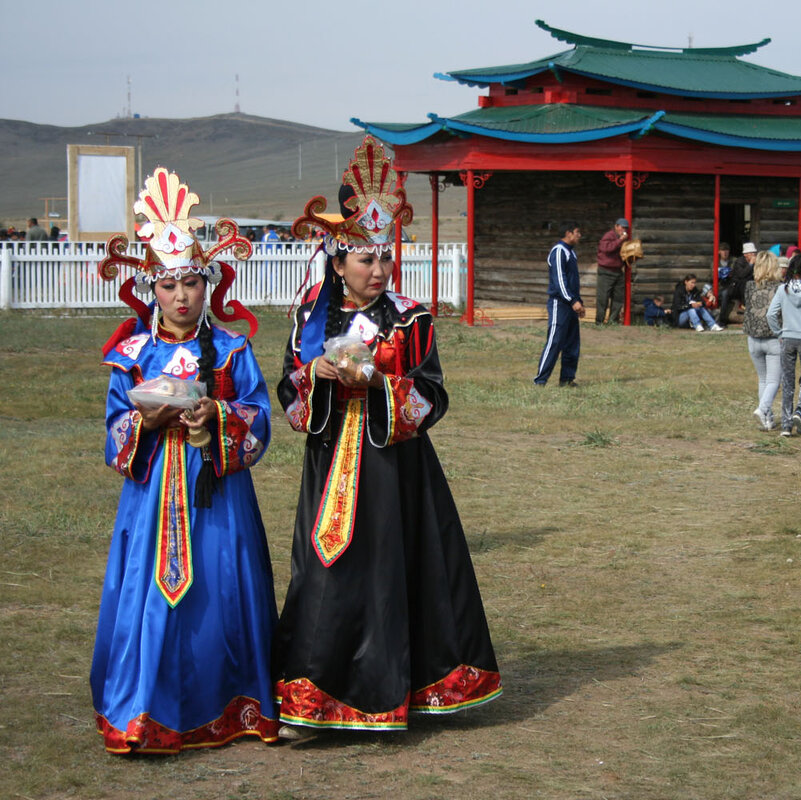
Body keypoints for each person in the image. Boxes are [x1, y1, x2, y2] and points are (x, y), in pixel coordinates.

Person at [275, 136, 501, 737]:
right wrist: (314, 375)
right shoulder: (308, 317)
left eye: (384, 257)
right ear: (337, 261)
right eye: (364, 259)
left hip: (395, 466)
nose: (378, 270)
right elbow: (290, 396)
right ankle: (313, 697)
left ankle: (405, 690)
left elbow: (431, 395)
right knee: (323, 570)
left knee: (394, 571)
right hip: (330, 463)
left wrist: (381, 381)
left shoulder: (411, 318)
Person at [91, 168, 277, 754]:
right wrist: (143, 424)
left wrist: (216, 418)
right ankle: (145, 708)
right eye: (169, 286)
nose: (180, 297)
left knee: (221, 594)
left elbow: (260, 420)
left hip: (217, 498)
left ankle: (231, 705)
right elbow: (112, 434)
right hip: (150, 502)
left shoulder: (231, 349)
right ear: (152, 288)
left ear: (207, 286)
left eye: (191, 284)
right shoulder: (131, 356)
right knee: (149, 598)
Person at [769, 254, 801, 436]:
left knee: (788, 381)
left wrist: (779, 332)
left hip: (788, 338)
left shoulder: (783, 289)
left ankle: (785, 425)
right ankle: (800, 410)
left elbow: (770, 315)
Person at [534, 221, 586, 386]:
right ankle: (540, 380)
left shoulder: (572, 253)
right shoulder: (558, 251)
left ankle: (567, 378)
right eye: (577, 232)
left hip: (571, 304)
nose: (579, 236)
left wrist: (578, 302)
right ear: (569, 233)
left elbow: (573, 282)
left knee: (572, 343)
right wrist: (571, 300)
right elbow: (560, 280)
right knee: (555, 341)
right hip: (560, 303)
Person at [742, 250, 784, 431]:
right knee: (775, 380)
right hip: (773, 338)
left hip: (753, 338)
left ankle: (768, 420)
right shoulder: (780, 288)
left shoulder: (750, 286)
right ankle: (763, 409)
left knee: (763, 380)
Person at [595, 217, 629, 325]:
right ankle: (599, 321)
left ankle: (613, 321)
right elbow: (607, 248)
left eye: (625, 228)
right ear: (616, 226)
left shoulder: (623, 238)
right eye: (622, 227)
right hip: (606, 271)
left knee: (618, 298)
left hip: (618, 271)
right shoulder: (609, 236)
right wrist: (621, 240)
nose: (623, 230)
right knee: (603, 298)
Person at [718, 242, 756, 326]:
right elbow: (742, 275)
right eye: (751, 253)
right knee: (725, 294)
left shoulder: (755, 263)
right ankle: (722, 321)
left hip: (748, 287)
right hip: (735, 287)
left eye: (754, 253)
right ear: (746, 254)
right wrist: (750, 265)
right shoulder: (739, 262)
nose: (754, 255)